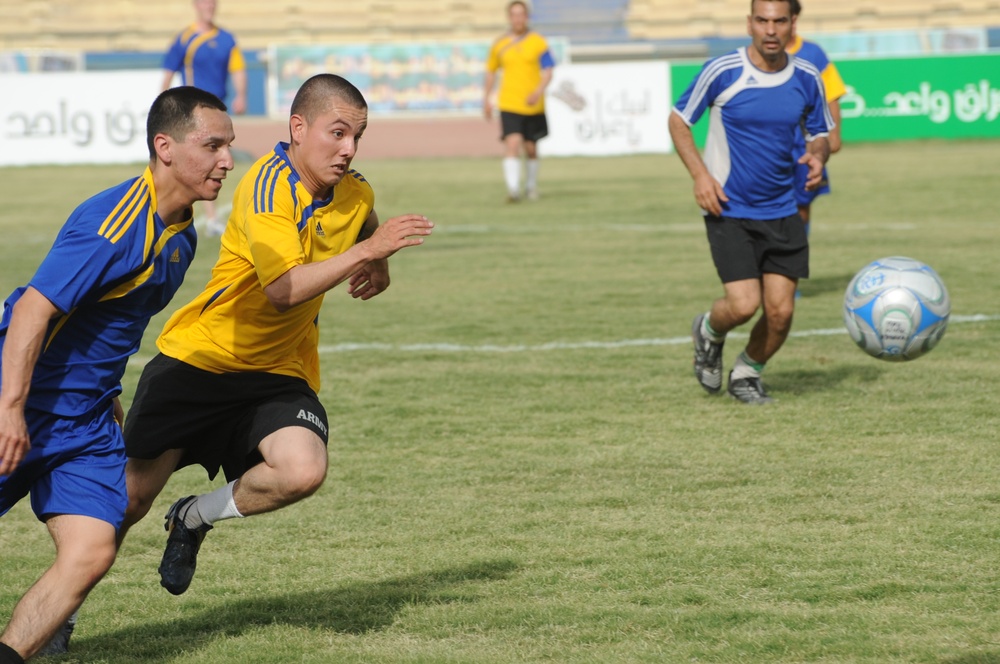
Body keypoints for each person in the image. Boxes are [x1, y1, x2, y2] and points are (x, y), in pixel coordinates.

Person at [115, 73, 434, 597]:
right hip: (201, 361)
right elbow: (283, 291)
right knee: (127, 501)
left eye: (358, 136)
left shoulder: (353, 190)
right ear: (298, 127)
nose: (349, 149)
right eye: (337, 133)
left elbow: (363, 213)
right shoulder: (267, 187)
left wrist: (379, 262)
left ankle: (194, 516)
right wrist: (365, 254)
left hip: (278, 373)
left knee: (302, 470)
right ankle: (66, 612)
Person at [0, 87, 234, 664]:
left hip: (83, 421)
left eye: (229, 146)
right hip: (22, 403)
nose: (227, 160)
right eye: (212, 145)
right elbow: (33, 308)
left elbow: (109, 328)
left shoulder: (179, 238)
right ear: (166, 147)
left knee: (92, 550)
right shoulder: (114, 222)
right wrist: (9, 410)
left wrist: (107, 398)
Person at [668, 0, 833, 404]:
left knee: (781, 314)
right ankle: (708, 330)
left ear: (793, 24)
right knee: (743, 305)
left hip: (784, 209)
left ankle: (746, 373)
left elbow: (820, 132)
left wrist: (818, 154)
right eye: (763, 21)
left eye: (780, 21)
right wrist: (700, 176)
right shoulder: (724, 71)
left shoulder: (808, 75)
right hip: (730, 209)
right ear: (749, 24)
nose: (771, 30)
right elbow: (678, 120)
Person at [162, 0, 247, 236]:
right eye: (204, 2)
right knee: (201, 161)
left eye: (212, 2)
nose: (209, 6)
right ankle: (204, 217)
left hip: (217, 110)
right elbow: (168, 72)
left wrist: (241, 95)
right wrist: (163, 104)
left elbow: (238, 69)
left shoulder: (227, 39)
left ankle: (207, 217)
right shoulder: (184, 38)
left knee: (208, 161)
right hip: (191, 110)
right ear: (195, 5)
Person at [482, 0, 555, 203]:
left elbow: (548, 71)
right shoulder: (500, 44)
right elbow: (491, 72)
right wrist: (487, 98)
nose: (517, 18)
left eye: (521, 14)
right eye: (514, 14)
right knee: (512, 143)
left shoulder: (538, 42)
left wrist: (538, 91)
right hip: (509, 103)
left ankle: (531, 187)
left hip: (533, 104)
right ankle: (513, 190)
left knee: (531, 148)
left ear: (527, 17)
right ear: (509, 17)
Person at [787, 0, 847, 235]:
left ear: (794, 19)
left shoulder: (813, 53)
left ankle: (793, 263)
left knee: (802, 206)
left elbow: (831, 97)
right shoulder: (760, 53)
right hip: (772, 142)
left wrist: (834, 134)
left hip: (806, 144)